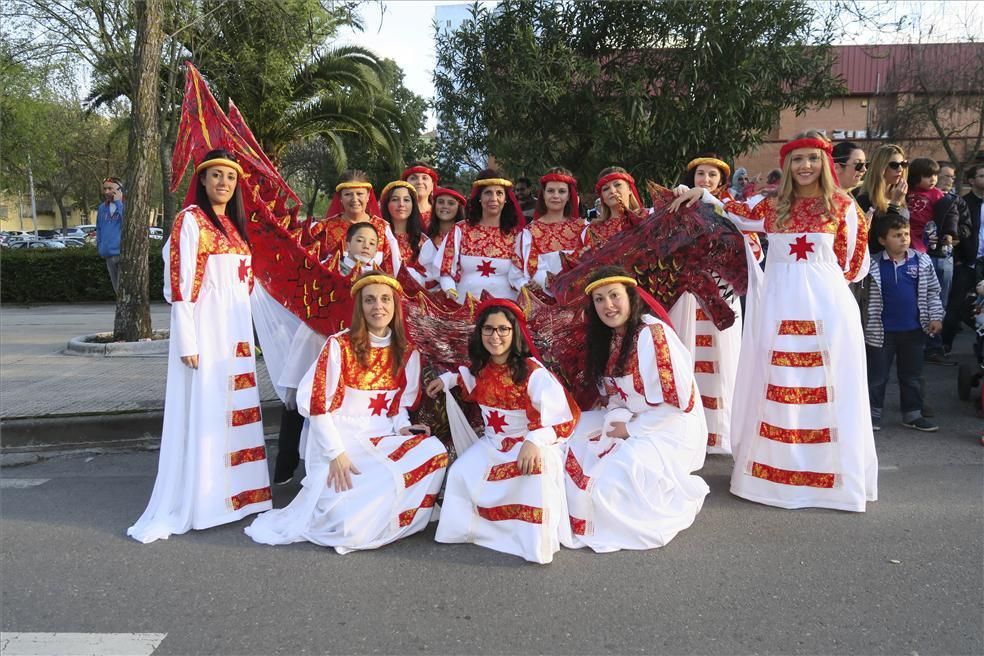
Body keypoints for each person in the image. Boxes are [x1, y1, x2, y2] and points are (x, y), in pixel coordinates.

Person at [672, 130, 877, 512]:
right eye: (797, 159)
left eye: (812, 159)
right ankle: (774, 476)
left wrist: (817, 283)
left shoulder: (843, 205)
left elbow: (853, 264)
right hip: (780, 305)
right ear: (786, 165)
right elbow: (733, 215)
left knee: (826, 383)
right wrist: (706, 195)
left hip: (826, 307)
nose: (805, 166)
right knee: (779, 380)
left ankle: (829, 480)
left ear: (825, 163)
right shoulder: (772, 206)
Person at [245, 273, 448, 552]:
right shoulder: (339, 346)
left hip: (382, 438)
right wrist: (336, 454)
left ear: (395, 306)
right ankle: (371, 512)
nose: (378, 306)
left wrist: (403, 427)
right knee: (348, 528)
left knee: (434, 451)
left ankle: (394, 515)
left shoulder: (407, 352)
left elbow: (398, 406)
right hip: (343, 441)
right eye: (370, 300)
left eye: (385, 299)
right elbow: (318, 407)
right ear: (360, 308)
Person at [128, 149, 272, 543]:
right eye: (216, 175)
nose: (223, 182)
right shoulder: (189, 221)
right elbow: (180, 286)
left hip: (237, 334)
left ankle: (242, 496)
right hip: (207, 332)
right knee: (209, 412)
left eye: (230, 176)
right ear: (203, 181)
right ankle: (209, 499)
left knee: (236, 411)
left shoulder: (236, 227)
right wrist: (187, 339)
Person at [564, 267, 709, 552]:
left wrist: (629, 429)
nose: (608, 305)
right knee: (570, 437)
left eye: (615, 296)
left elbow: (679, 404)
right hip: (630, 420)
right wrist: (618, 421)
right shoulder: (607, 338)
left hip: (668, 429)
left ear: (631, 297)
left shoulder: (653, 335)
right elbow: (615, 397)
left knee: (610, 483)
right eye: (600, 299)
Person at [426, 298, 579, 563]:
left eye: (502, 329)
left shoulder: (534, 373)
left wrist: (534, 441)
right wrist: (446, 379)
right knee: (461, 473)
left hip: (527, 442)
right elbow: (466, 376)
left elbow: (563, 419)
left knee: (531, 476)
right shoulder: (482, 368)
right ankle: (477, 532)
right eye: (488, 329)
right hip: (492, 444)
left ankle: (526, 540)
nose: (495, 336)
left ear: (513, 332)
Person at [273, 222, 382, 486]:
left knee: (334, 406)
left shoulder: (378, 276)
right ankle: (284, 468)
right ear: (347, 244)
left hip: (352, 350)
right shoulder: (330, 268)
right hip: (317, 340)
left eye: (371, 242)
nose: (365, 246)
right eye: (360, 240)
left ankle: (326, 467)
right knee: (300, 403)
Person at [670, 154, 755, 454]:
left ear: (720, 182)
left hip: (721, 291)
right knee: (687, 355)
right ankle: (686, 431)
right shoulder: (677, 206)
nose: (705, 180)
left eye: (712, 176)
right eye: (700, 174)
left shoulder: (732, 210)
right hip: (689, 294)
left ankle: (719, 432)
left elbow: (751, 246)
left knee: (723, 361)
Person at [863, 215, 942, 432]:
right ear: (882, 240)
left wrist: (935, 316)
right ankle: (872, 415)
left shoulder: (922, 261)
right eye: (897, 235)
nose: (903, 239)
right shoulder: (871, 265)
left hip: (914, 330)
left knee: (912, 376)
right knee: (877, 377)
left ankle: (912, 414)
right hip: (880, 333)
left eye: (906, 234)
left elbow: (934, 292)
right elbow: (862, 297)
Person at [437, 168, 527, 303]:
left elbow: (520, 277)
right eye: (488, 193)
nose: (494, 198)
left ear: (506, 199)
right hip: (464, 306)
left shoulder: (517, 235)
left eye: (499, 193)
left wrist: (526, 288)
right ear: (479, 197)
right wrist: (450, 290)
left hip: (505, 312)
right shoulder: (460, 229)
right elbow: (445, 271)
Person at [310, 170, 399, 273]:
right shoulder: (321, 228)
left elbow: (392, 270)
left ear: (368, 196)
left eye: (360, 194)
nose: (354, 199)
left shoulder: (383, 228)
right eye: (348, 194)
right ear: (341, 198)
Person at [522, 167, 585, 290]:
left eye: (561, 191)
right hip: (545, 295)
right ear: (543, 195)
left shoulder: (583, 228)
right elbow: (532, 266)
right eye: (550, 191)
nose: (555, 196)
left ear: (568, 196)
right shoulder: (530, 231)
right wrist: (549, 282)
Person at [944, 163, 984, 353]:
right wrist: (958, 258)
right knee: (956, 304)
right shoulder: (963, 202)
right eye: (982, 176)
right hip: (968, 261)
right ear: (972, 181)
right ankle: (945, 344)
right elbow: (957, 231)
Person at [857, 145, 909, 252]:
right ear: (880, 168)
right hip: (876, 262)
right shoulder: (865, 200)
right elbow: (882, 238)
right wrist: (894, 204)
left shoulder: (900, 194)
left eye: (903, 164)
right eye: (894, 165)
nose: (900, 169)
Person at [581, 167, 645, 250]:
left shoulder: (649, 216)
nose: (612, 191)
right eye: (606, 189)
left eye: (617, 185)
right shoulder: (593, 230)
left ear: (629, 189)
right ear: (602, 197)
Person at [380, 180, 426, 284]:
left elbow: (430, 274)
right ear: (386, 204)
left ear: (413, 205)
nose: (401, 204)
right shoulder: (377, 235)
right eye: (395, 199)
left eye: (406, 200)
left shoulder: (422, 240)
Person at [419, 186, 466, 288]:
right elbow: (423, 272)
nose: (445, 206)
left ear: (459, 207)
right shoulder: (427, 240)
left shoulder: (468, 237)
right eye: (440, 202)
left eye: (451, 203)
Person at [96, 177, 124, 294]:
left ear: (119, 189)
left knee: (124, 289)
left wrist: (118, 202)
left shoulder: (126, 205)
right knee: (117, 290)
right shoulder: (102, 208)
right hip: (108, 254)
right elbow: (99, 228)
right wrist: (100, 245)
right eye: (105, 189)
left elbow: (127, 222)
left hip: (122, 254)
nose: (106, 192)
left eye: (110, 188)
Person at [402, 162, 438, 230]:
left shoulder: (441, 213)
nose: (419, 182)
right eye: (413, 178)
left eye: (425, 178)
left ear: (432, 185)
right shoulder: (396, 212)